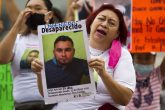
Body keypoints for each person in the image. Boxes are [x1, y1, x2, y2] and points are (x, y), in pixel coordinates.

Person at [32, 4, 136, 110]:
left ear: (117, 34)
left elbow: (124, 99)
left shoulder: (122, 55)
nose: (104, 24)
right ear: (91, 23)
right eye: (101, 19)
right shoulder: (65, 58)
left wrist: (104, 75)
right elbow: (46, 94)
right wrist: (40, 74)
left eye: (111, 23)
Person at [0, 0, 58, 109]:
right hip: (23, 106)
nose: (32, 12)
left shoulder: (59, 40)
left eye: (38, 8)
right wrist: (17, 25)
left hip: (54, 105)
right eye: (29, 8)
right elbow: (2, 59)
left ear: (49, 15)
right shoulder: (18, 39)